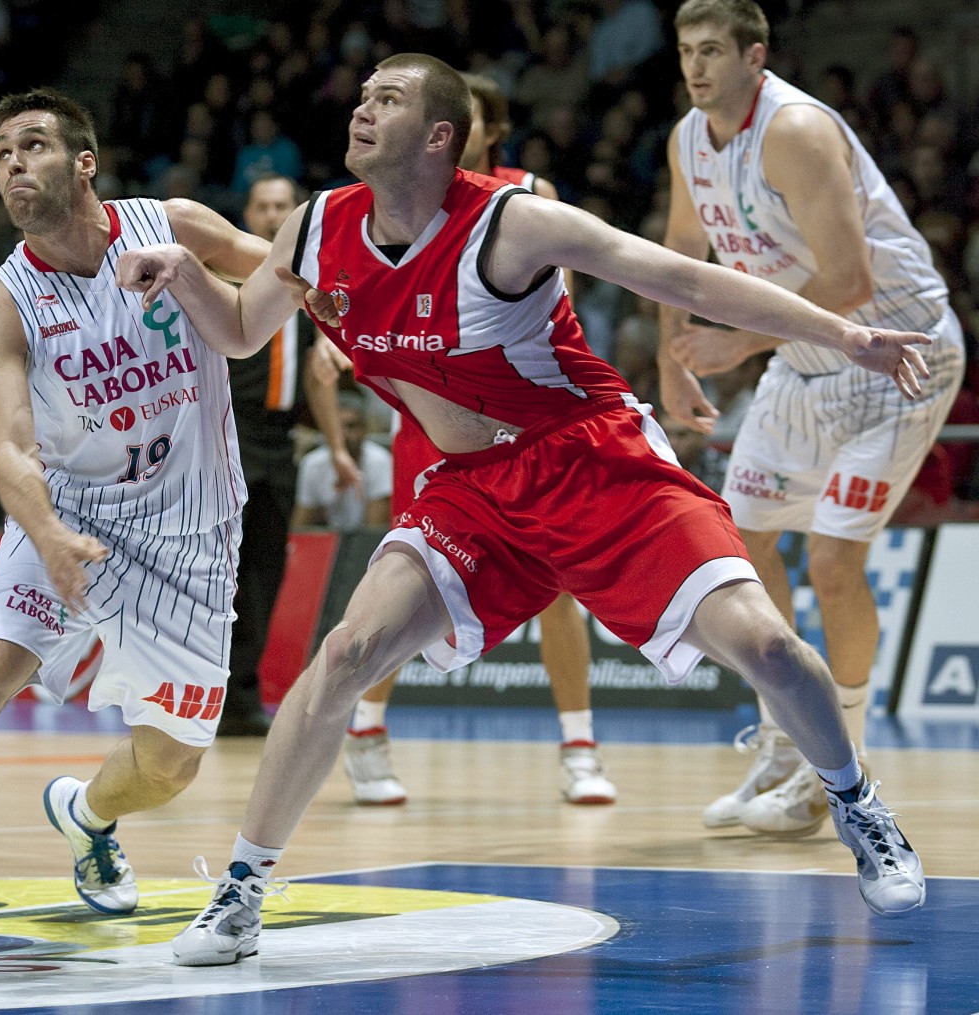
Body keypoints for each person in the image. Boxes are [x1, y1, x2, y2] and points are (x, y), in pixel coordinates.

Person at [114, 53, 931, 964]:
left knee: (768, 646)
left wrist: (846, 333)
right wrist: (185, 271)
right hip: (472, 495)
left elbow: (680, 278)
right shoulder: (315, 230)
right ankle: (240, 891)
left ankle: (858, 802)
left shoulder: (511, 223)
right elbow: (237, 329)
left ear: (438, 136)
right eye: (361, 95)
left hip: (594, 464)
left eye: (388, 100)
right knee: (345, 652)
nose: (361, 109)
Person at [0, 87, 271, 914]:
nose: (13, 165)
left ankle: (87, 817)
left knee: (171, 765)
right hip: (71, 520)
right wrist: (48, 532)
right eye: (2, 155)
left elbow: (276, 265)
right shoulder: (2, 307)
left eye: (32, 146)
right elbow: (11, 449)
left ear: (83, 161)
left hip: (192, 534)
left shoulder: (170, 225)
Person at [658, 0, 964, 837]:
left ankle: (844, 770)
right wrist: (671, 357)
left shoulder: (794, 129)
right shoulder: (689, 137)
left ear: (756, 55)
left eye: (713, 49)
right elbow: (679, 258)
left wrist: (740, 344)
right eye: (686, 50)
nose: (697, 66)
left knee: (832, 561)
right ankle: (792, 744)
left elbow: (851, 283)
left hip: (894, 354)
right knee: (739, 551)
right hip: (801, 360)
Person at [340, 70, 618, 809]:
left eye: (479, 121)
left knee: (558, 583)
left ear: (485, 131)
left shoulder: (525, 198)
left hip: (518, 419)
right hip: (429, 424)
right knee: (402, 582)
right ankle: (365, 728)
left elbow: (560, 308)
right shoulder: (390, 200)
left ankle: (580, 745)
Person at [220, 173, 360, 737]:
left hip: (279, 444)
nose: (274, 215)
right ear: (246, 215)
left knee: (264, 573)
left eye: (283, 206)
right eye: (263, 206)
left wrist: (337, 449)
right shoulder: (223, 274)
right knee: (216, 576)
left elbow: (319, 377)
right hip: (225, 437)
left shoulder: (310, 285)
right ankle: (193, 696)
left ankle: (242, 699)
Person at [294, 388, 392, 530]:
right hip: (327, 543)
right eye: (339, 427)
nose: (345, 433)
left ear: (364, 429)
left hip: (365, 545)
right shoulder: (312, 464)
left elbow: (373, 532)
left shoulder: (380, 461)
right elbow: (300, 529)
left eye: (351, 426)